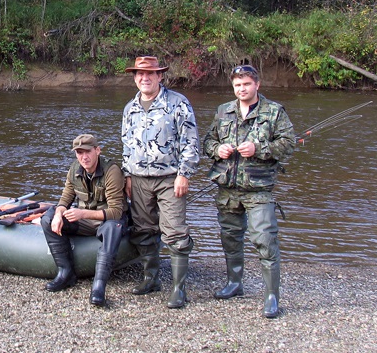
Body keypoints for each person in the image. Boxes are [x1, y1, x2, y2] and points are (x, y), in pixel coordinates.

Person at [202, 64, 295, 318]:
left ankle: (272, 296)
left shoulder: (274, 112)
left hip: (258, 189)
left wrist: (258, 148)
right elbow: (207, 141)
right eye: (237, 85)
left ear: (257, 85)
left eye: (246, 84)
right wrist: (217, 149)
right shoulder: (223, 111)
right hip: (227, 189)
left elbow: (288, 144)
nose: (241, 89)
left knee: (265, 239)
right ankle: (235, 283)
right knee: (230, 238)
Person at [121, 56, 200, 309]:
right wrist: (127, 175)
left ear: (160, 76)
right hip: (139, 180)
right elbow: (126, 145)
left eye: (150, 74)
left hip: (169, 179)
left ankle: (179, 289)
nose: (145, 78)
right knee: (144, 231)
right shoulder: (129, 108)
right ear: (135, 78)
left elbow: (190, 142)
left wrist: (184, 174)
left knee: (175, 231)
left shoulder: (178, 103)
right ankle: (150, 279)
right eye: (140, 75)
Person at [41, 134, 129, 307]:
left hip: (106, 220)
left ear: (97, 150)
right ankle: (66, 273)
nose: (84, 157)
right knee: (48, 218)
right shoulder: (74, 169)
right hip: (85, 219)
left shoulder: (112, 171)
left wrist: (83, 214)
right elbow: (65, 200)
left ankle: (99, 286)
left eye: (87, 152)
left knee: (114, 227)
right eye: (79, 153)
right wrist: (59, 214)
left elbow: (116, 211)